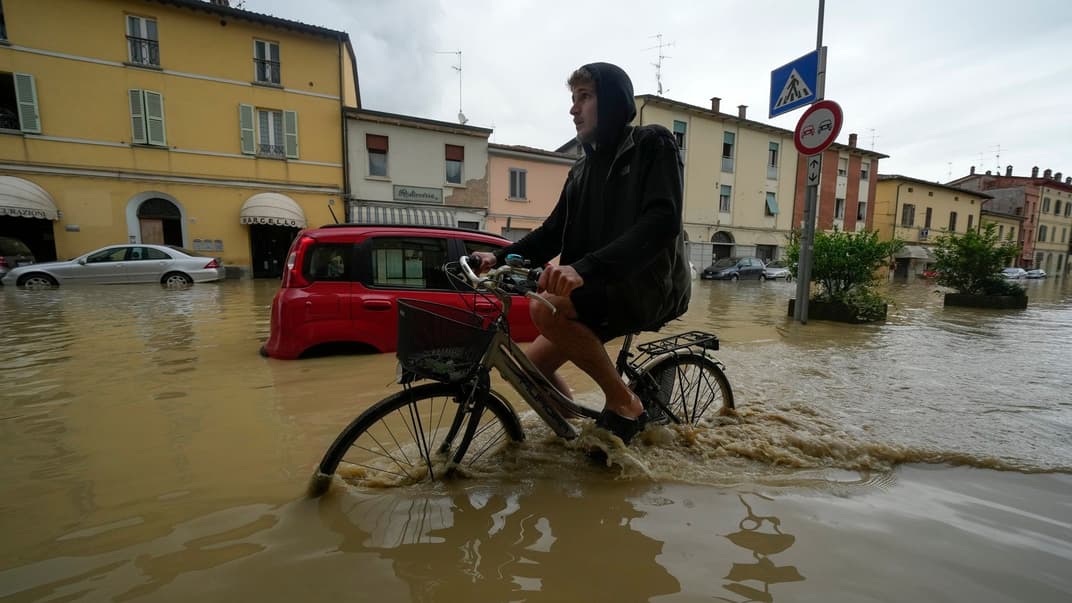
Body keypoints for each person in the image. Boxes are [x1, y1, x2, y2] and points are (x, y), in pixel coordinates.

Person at [472, 62, 690, 445]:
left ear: (613, 101)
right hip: (601, 285)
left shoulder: (652, 143)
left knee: (545, 305)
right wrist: (500, 258)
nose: (574, 109)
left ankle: (625, 402)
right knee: (530, 370)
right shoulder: (580, 171)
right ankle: (571, 440)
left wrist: (585, 268)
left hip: (647, 284)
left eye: (584, 97)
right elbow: (551, 233)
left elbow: (663, 220)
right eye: (572, 100)